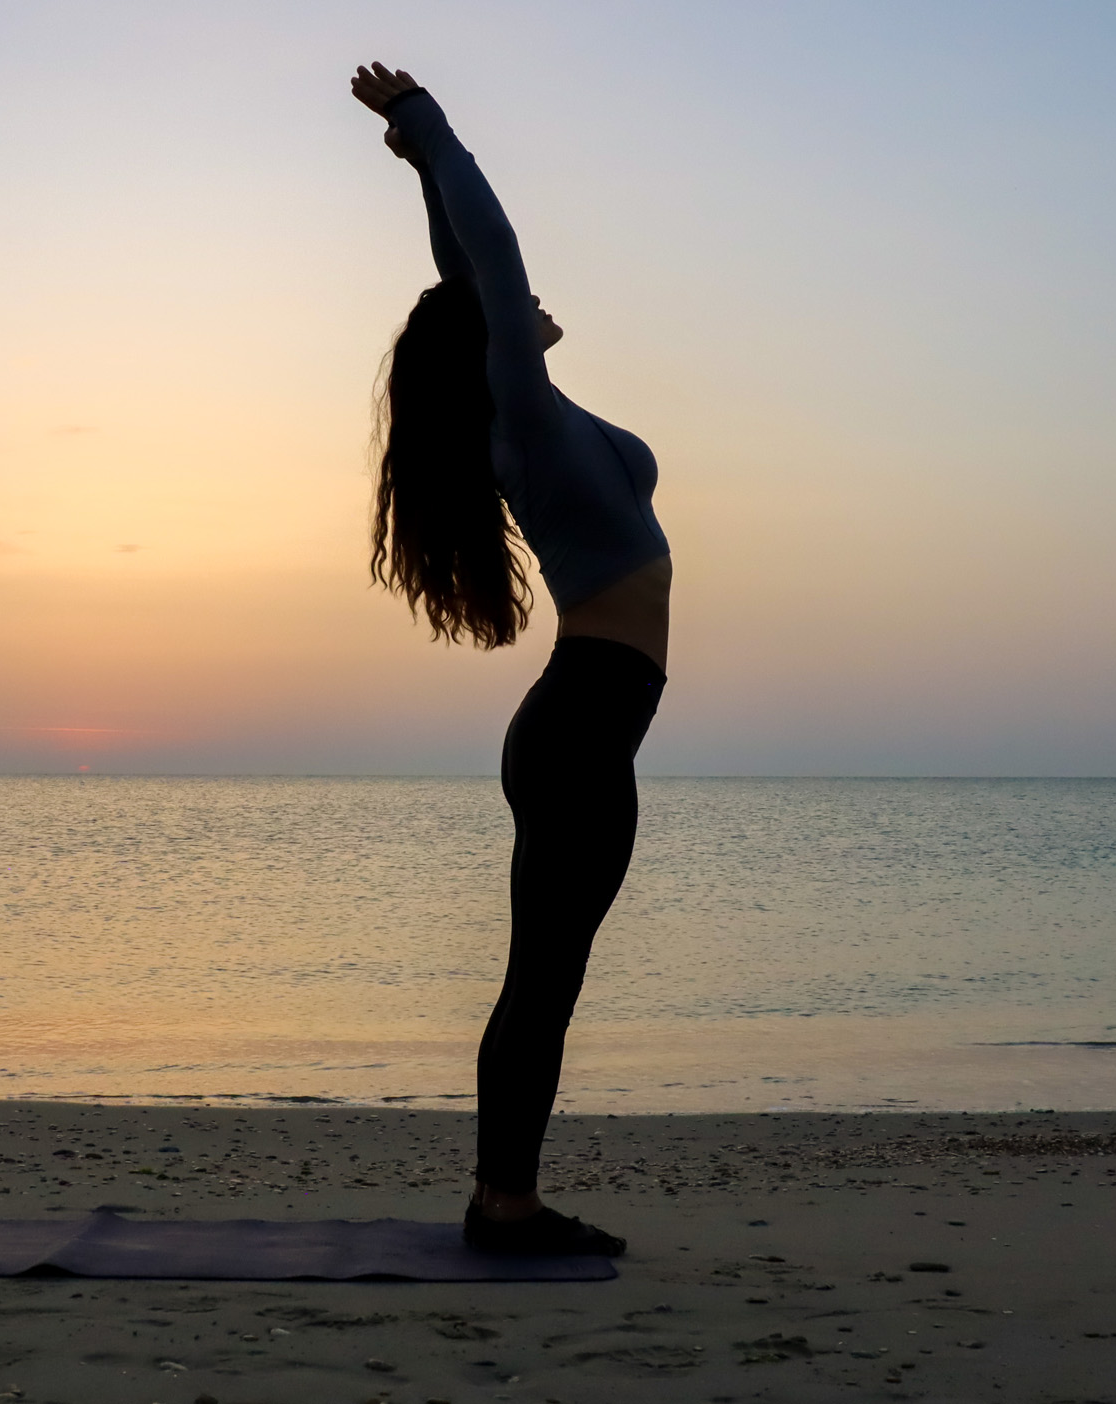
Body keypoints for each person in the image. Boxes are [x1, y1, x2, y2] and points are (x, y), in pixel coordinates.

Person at [351, 62, 673, 1257]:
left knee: (547, 974)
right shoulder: (520, 418)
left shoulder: (536, 416)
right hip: (581, 724)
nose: (519, 307)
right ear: (487, 349)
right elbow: (487, 258)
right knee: (543, 977)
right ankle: (505, 1206)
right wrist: (425, 125)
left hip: (583, 724)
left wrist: (418, 171)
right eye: (500, 313)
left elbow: (462, 270)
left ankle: (503, 1198)